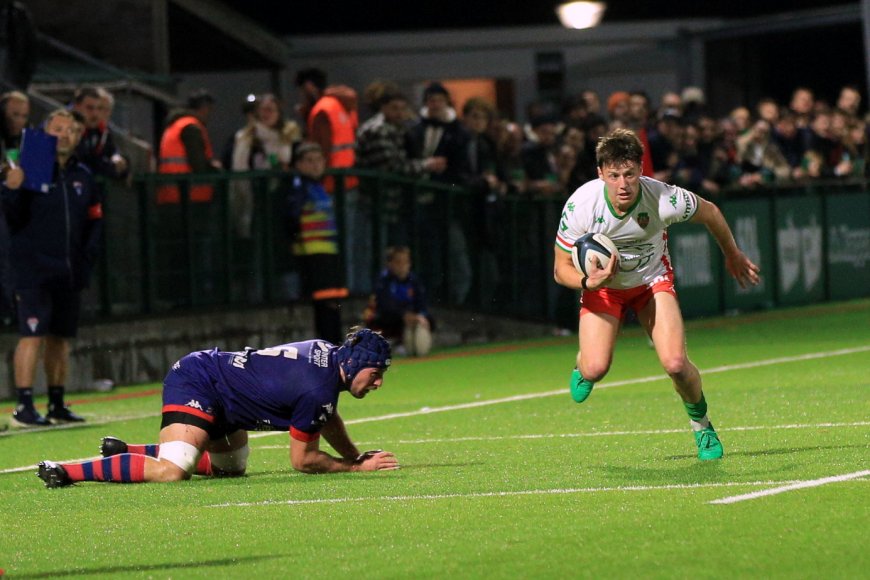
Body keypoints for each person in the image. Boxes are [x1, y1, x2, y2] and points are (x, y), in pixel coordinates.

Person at [552, 128, 760, 460]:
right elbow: (560, 268)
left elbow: (712, 213)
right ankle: (582, 366)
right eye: (614, 175)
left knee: (676, 363)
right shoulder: (581, 205)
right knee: (595, 369)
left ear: (641, 170)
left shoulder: (664, 199)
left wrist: (732, 254)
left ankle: (702, 426)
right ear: (601, 174)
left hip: (651, 282)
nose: (623, 183)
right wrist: (588, 283)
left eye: (630, 174)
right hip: (603, 289)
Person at [35, 328, 399, 487]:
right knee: (173, 471)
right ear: (353, 365)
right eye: (376, 373)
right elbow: (302, 461)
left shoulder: (326, 355)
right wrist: (352, 468)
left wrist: (355, 456)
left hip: (227, 399)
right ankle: (68, 471)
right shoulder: (318, 387)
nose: (379, 383)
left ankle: (128, 451)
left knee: (232, 467)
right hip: (201, 380)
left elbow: (325, 417)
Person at [3, 109, 104, 427]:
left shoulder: (82, 175)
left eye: (71, 130)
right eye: (57, 128)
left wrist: (86, 260)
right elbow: (12, 217)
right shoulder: (30, 169)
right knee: (32, 334)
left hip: (69, 270)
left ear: (77, 137)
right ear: (45, 133)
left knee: (60, 337)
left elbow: (94, 221)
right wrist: (12, 188)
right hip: (32, 269)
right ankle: (24, 405)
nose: (64, 134)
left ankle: (57, 403)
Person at [284, 141, 348, 345]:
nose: (315, 165)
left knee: (333, 301)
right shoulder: (299, 187)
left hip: (328, 252)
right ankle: (330, 350)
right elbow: (292, 219)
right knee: (324, 303)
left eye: (319, 160)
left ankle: (334, 348)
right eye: (309, 161)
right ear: (299, 164)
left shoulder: (320, 186)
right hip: (312, 254)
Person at [364, 246, 434, 357]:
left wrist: (421, 316)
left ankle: (413, 343)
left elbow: (421, 302)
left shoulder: (414, 281)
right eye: (398, 262)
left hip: (410, 319)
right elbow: (385, 304)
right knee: (387, 318)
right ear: (390, 264)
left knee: (428, 319)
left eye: (406, 262)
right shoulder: (383, 281)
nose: (402, 266)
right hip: (387, 319)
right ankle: (392, 343)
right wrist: (404, 314)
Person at [157, 88, 221, 205]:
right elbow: (197, 164)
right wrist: (216, 169)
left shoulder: (175, 125)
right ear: (204, 108)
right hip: (191, 196)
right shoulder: (191, 127)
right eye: (209, 109)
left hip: (170, 195)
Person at [71, 86, 129, 180]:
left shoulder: (102, 130)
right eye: (89, 108)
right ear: (77, 107)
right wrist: (108, 166)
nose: (95, 114)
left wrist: (117, 158)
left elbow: (111, 151)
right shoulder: (65, 129)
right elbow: (83, 161)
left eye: (99, 108)